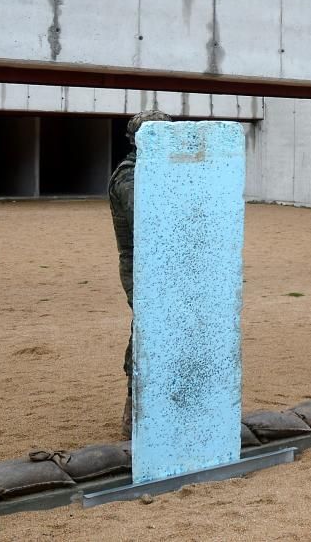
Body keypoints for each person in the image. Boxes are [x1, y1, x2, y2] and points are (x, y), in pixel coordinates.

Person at [108, 109, 172, 438]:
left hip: (168, 263)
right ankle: (134, 407)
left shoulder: (164, 168)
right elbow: (149, 217)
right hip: (141, 266)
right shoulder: (128, 175)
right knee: (148, 331)